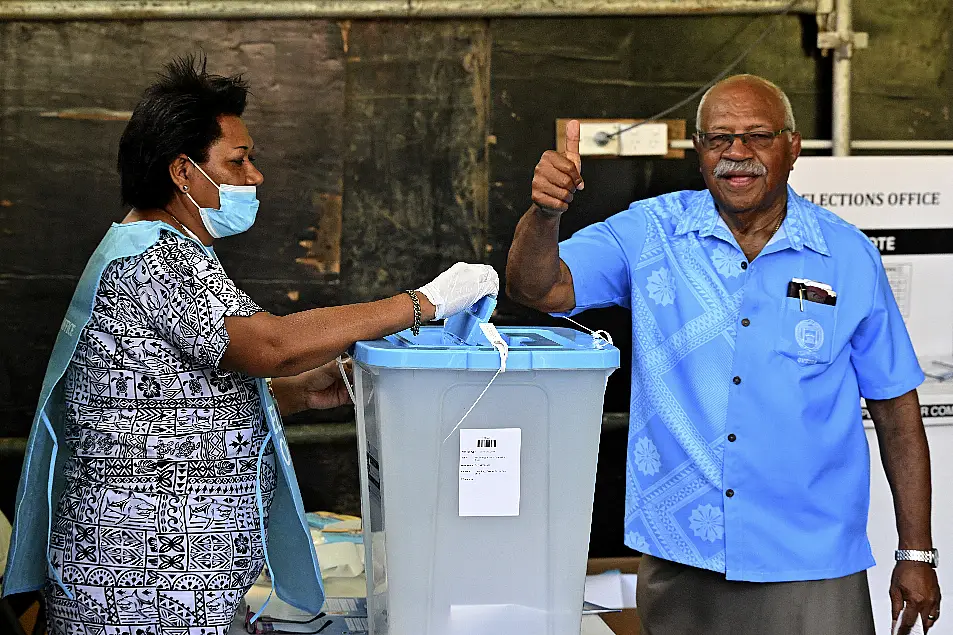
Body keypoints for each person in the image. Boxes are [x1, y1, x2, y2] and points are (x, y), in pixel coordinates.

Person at [2, 54, 498, 635]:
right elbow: (271, 345)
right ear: (183, 173)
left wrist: (291, 396)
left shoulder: (150, 249)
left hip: (166, 585)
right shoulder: (156, 260)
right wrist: (422, 304)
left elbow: (159, 398)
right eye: (238, 161)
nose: (254, 176)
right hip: (143, 594)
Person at [506, 74, 941, 635]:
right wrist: (544, 213)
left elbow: (898, 414)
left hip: (811, 562)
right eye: (719, 139)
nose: (737, 153)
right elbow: (537, 288)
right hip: (684, 554)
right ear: (698, 151)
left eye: (758, 136)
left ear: (793, 147)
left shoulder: (847, 255)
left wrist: (916, 553)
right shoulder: (650, 232)